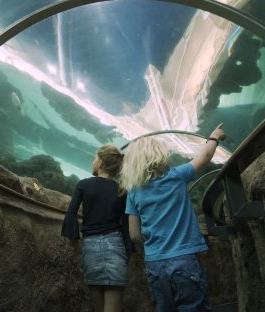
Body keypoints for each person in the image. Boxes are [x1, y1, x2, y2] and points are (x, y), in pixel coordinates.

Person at [120, 124, 227, 312]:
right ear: (160, 157)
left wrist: (152, 250)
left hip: (154, 264)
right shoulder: (176, 176)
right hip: (184, 260)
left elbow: (134, 234)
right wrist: (214, 137)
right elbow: (205, 156)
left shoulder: (133, 192)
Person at [61, 145, 133, 312]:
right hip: (115, 247)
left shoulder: (83, 185)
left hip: (90, 247)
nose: (93, 162)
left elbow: (71, 214)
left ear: (100, 162)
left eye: (95, 159)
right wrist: (127, 254)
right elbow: (126, 225)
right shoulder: (122, 191)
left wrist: (77, 248)